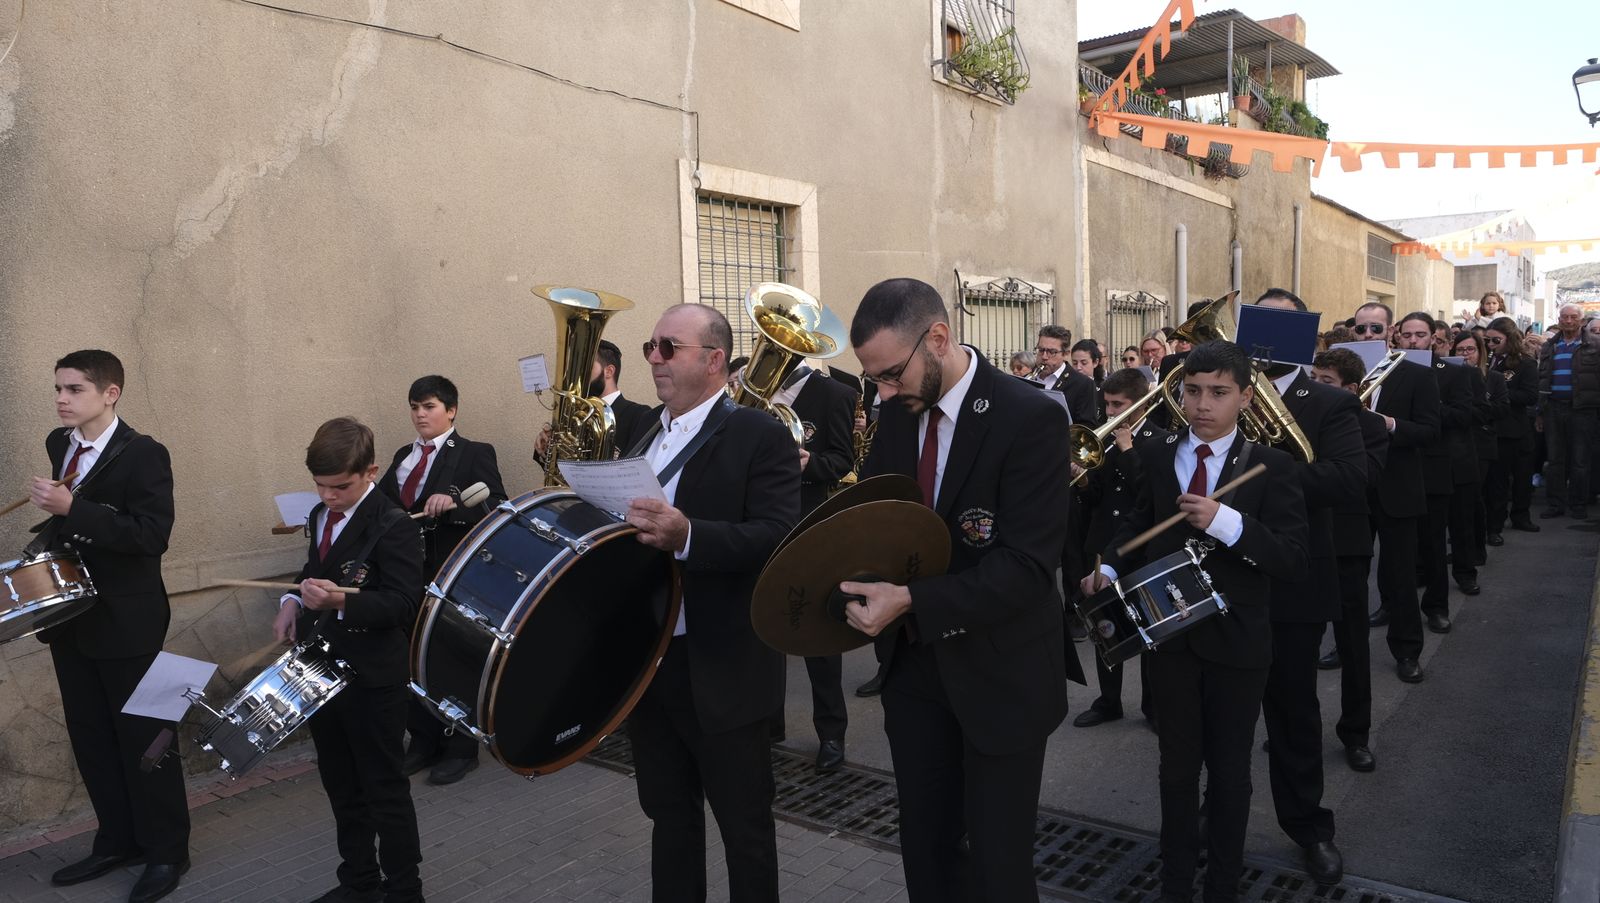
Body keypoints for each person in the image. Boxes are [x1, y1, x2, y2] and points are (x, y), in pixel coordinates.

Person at [846, 277, 1073, 902]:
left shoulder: (1031, 417)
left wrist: (914, 599)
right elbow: (877, 523)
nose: (883, 394)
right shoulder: (895, 415)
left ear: (939, 340)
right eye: (874, 381)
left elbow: (1027, 568)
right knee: (926, 850)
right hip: (916, 671)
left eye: (891, 374)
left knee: (999, 865)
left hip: (1001, 671)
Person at [1083, 340, 1309, 903]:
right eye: (1192, 391)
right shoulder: (1159, 455)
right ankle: (1176, 884)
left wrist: (1226, 521)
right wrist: (1109, 564)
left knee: (1230, 775)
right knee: (1176, 770)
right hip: (1172, 639)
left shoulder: (1270, 465)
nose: (1203, 404)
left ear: (1245, 398)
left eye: (1218, 393)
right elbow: (1139, 519)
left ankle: (1223, 889)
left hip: (1239, 643)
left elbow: (1292, 557)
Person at [620, 303, 800, 902]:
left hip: (723, 667)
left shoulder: (759, 434)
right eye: (650, 347)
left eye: (668, 348)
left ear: (713, 359)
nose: (653, 359)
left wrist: (689, 535)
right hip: (651, 663)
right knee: (668, 818)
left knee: (745, 829)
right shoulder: (645, 429)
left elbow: (778, 535)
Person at [29, 350, 190, 903]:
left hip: (130, 620)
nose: (61, 399)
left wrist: (74, 508)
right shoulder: (61, 444)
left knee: (147, 741)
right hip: (71, 618)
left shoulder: (145, 454)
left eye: (73, 389)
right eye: (58, 388)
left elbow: (150, 536)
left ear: (110, 393)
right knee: (92, 737)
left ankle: (167, 851)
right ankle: (116, 840)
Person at [275, 417, 425, 903]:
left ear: (371, 471)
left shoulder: (394, 524)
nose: (328, 496)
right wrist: (292, 603)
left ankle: (405, 890)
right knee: (341, 785)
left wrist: (340, 602)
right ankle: (358, 881)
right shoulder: (319, 516)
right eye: (319, 486)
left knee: (384, 789)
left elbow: (404, 604)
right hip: (321, 670)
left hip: (374, 678)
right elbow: (312, 572)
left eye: (340, 486)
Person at [1250, 289, 1366, 884]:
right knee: (1217, 711)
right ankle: (1211, 814)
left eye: (1283, 324)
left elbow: (1348, 479)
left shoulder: (1325, 403)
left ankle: (1309, 827)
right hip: (1222, 577)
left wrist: (1271, 470)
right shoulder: (1217, 391)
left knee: (1293, 714)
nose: (1268, 335)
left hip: (1293, 582)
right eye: (1259, 320)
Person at [378, 375, 508, 786]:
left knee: (450, 661)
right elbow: (383, 508)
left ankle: (460, 748)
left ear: (451, 410)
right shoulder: (403, 455)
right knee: (412, 660)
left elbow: (497, 505)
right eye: (415, 406)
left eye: (429, 406)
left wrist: (453, 505)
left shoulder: (473, 453)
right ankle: (423, 741)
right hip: (406, 575)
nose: (420, 413)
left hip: (450, 576)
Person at [767, 359, 857, 772]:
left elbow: (842, 460)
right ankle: (769, 725)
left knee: (818, 630)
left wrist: (809, 463)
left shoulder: (834, 393)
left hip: (808, 520)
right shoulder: (753, 390)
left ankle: (832, 734)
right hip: (760, 522)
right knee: (764, 627)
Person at [1309, 348, 1388, 773]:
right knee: (1297, 646)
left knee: (1353, 646)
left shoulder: (1371, 426)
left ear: (1351, 390)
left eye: (1327, 381)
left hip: (1346, 544)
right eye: (1314, 377)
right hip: (1302, 541)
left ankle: (1356, 734)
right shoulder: (1298, 415)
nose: (1316, 386)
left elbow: (1364, 479)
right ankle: (1298, 725)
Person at [1069, 367, 1162, 730]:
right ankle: (1108, 701)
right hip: (1103, 540)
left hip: (1141, 545)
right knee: (1105, 628)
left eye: (1118, 404)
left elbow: (1150, 495)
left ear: (1138, 403)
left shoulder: (1159, 438)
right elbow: (1094, 498)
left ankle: (1153, 706)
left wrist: (1127, 451)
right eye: (1106, 404)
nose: (1110, 412)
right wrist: (1081, 478)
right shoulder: (1101, 440)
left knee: (1148, 628)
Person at [1354, 303, 1440, 684]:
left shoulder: (1416, 375)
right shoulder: (1343, 372)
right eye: (1360, 330)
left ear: (1390, 332)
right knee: (1348, 577)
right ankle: (1345, 645)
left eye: (1376, 328)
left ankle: (1407, 651)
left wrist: (1388, 424)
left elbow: (1429, 431)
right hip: (1353, 488)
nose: (1368, 336)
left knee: (1401, 575)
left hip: (1397, 486)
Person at [534, 340, 653, 466]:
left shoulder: (639, 415)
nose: (578, 375)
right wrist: (547, 449)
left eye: (586, 366)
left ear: (609, 371)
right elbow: (560, 471)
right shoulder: (576, 415)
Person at [1449, 333, 1504, 591]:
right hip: (1455, 446)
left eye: (1470, 349)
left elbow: (1492, 410)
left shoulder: (1491, 377)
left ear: (1480, 351)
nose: (1465, 354)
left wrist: (1460, 411)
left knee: (1473, 503)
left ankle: (1474, 554)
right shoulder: (1446, 373)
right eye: (1460, 349)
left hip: (1480, 445)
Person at [1537, 304, 1600, 520]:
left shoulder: (1595, 345)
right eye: (1564, 317)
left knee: (1580, 460)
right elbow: (1542, 378)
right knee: (1555, 460)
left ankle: (1578, 504)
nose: (1569, 321)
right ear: (1559, 319)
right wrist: (1540, 411)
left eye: (1573, 317)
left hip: (1583, 410)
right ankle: (1555, 504)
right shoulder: (1549, 347)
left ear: (1581, 321)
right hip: (1553, 408)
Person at [1485, 317, 1541, 538]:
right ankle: (1494, 525)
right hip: (1492, 428)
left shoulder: (1525, 363)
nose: (1490, 345)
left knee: (1521, 477)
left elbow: (1529, 396)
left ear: (1508, 338)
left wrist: (1500, 394)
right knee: (1496, 482)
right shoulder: (1489, 360)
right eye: (1487, 340)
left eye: (1495, 340)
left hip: (1515, 428)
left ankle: (1520, 516)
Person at [1034, 324, 1099, 425]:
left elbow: (1087, 427)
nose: (1044, 357)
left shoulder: (1083, 384)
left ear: (1065, 354)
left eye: (1052, 352)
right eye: (1041, 350)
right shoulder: (1028, 378)